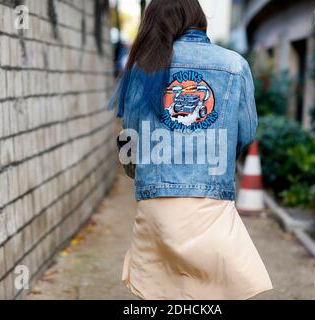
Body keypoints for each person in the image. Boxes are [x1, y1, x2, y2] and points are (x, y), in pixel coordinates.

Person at [111, 0, 272, 300]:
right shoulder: (235, 66)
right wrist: (218, 163)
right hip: (210, 206)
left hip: (156, 208)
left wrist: (142, 176)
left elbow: (128, 141)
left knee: (162, 295)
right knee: (212, 295)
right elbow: (246, 133)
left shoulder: (141, 68)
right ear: (197, 18)